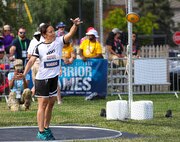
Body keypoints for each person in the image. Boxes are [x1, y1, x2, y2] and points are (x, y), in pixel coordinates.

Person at [22, 18, 82, 140]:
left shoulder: (59, 42)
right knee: (42, 105)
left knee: (51, 103)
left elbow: (70, 33)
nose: (53, 33)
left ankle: (46, 128)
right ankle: (41, 131)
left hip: (53, 79)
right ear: (44, 35)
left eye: (53, 31)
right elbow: (31, 61)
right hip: (42, 80)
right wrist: (24, 74)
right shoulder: (39, 47)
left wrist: (75, 25)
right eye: (50, 31)